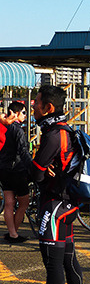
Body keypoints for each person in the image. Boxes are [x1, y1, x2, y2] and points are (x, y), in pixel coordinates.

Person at [21, 85, 85, 284]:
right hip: (68, 202)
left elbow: (36, 174)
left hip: (55, 204)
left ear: (48, 108)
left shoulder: (52, 135)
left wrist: (36, 166)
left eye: (36, 103)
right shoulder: (66, 130)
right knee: (68, 257)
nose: (33, 106)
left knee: (53, 261)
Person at [0, 101, 33, 243]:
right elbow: (22, 151)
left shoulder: (4, 127)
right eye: (24, 113)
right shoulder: (18, 130)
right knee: (24, 202)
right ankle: (14, 233)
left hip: (3, 169)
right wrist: (32, 167)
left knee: (9, 203)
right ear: (16, 113)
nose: (26, 116)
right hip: (17, 170)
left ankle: (12, 233)